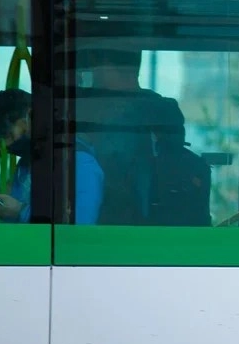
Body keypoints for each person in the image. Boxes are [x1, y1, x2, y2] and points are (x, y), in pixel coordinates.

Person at [75, 46, 190, 225]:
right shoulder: (157, 108)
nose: (92, 74)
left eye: (97, 67)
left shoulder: (131, 113)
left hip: (117, 224)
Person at [0, 88, 104, 224]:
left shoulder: (80, 163)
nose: (7, 144)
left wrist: (20, 211)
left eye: (10, 135)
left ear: (31, 116)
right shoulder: (25, 165)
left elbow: (79, 226)